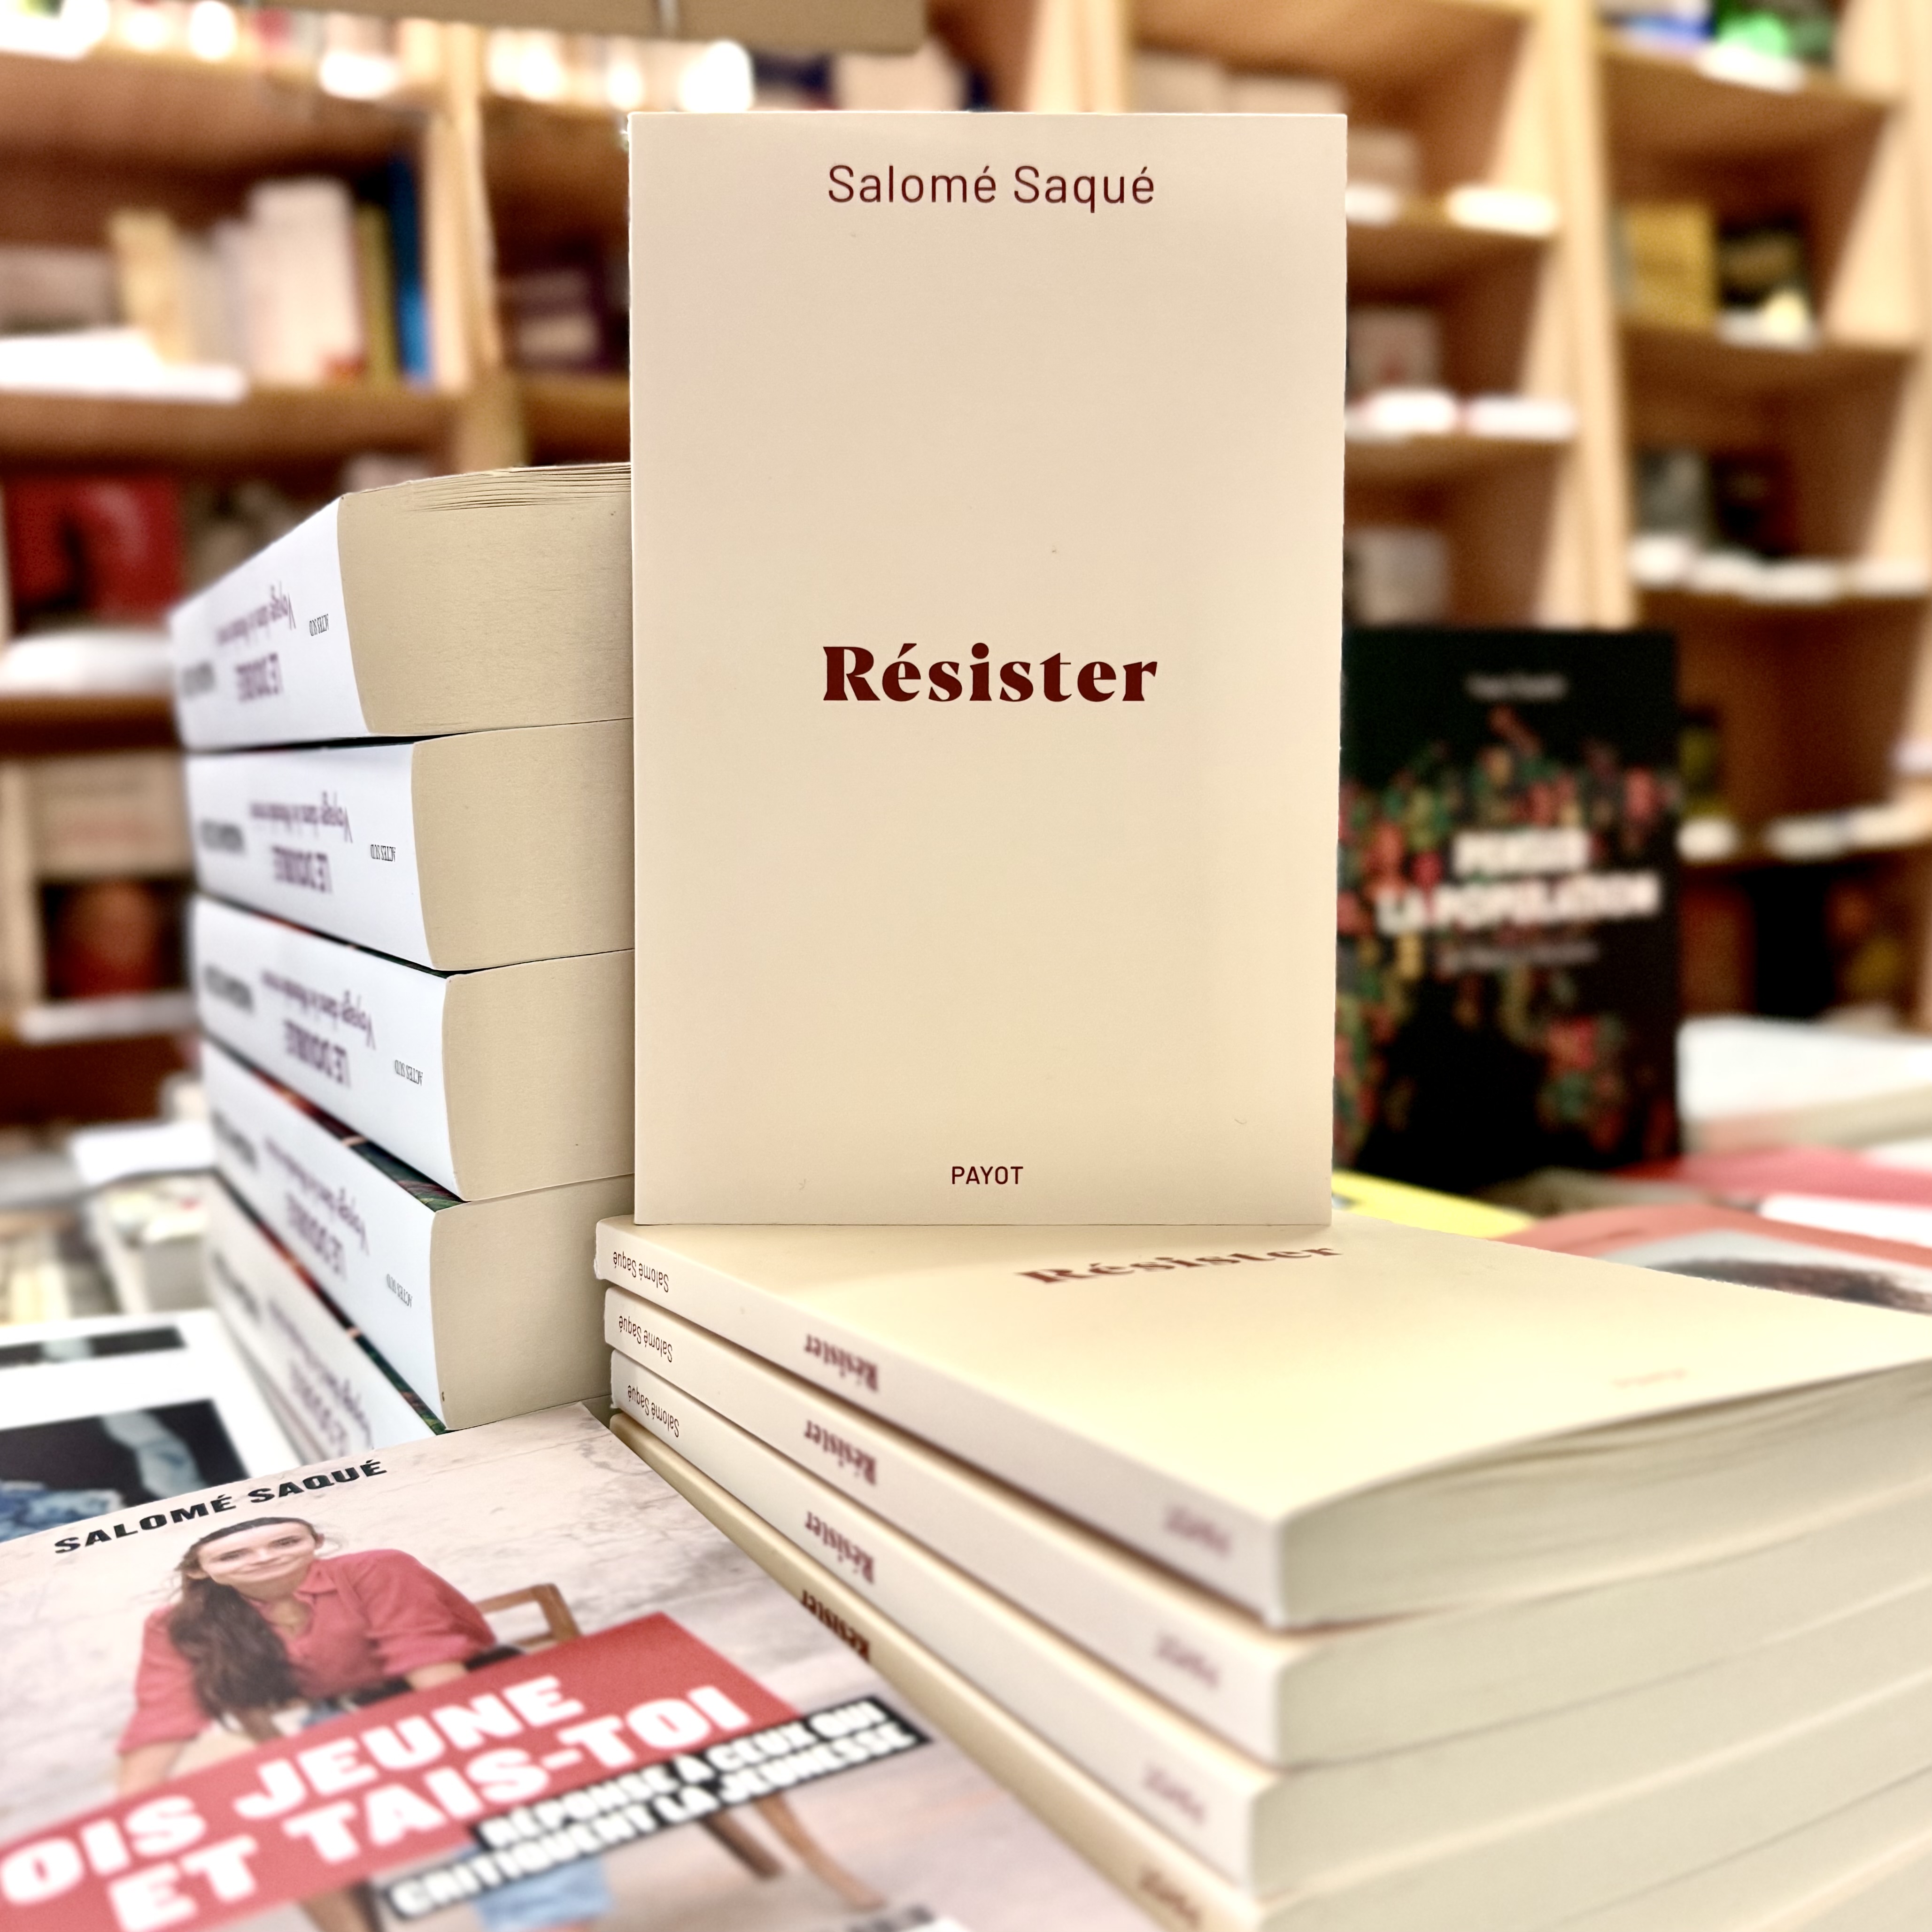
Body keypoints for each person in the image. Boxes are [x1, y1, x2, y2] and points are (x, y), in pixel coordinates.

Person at [117, 1515, 610, 1932]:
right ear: (202, 1572)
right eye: (234, 1556)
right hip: (346, 1714)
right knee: (272, 1821)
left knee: (493, 1787)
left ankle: (547, 1920)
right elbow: (163, 1716)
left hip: (466, 1688)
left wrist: (462, 1743)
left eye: (285, 1542)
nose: (264, 1558)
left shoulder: (378, 1567)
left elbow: (424, 1656)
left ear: (316, 1543)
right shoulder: (176, 1624)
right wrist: (131, 1825)